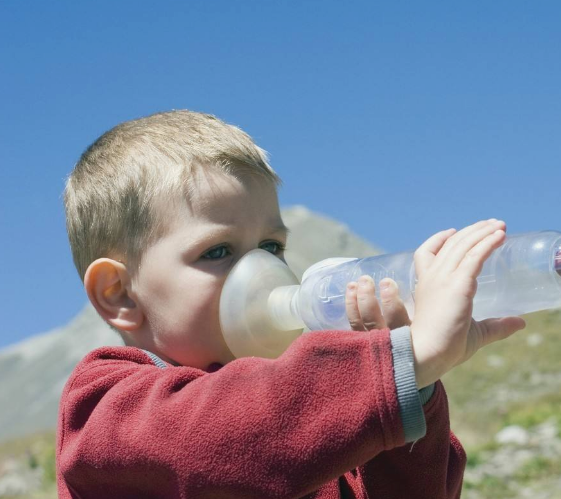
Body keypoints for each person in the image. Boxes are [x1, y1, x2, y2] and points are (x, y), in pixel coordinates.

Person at [57, 110, 527, 498]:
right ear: (118, 294)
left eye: (271, 247)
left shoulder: (321, 426)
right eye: (218, 252)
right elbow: (220, 438)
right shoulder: (105, 410)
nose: (261, 273)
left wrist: (413, 395)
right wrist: (396, 364)